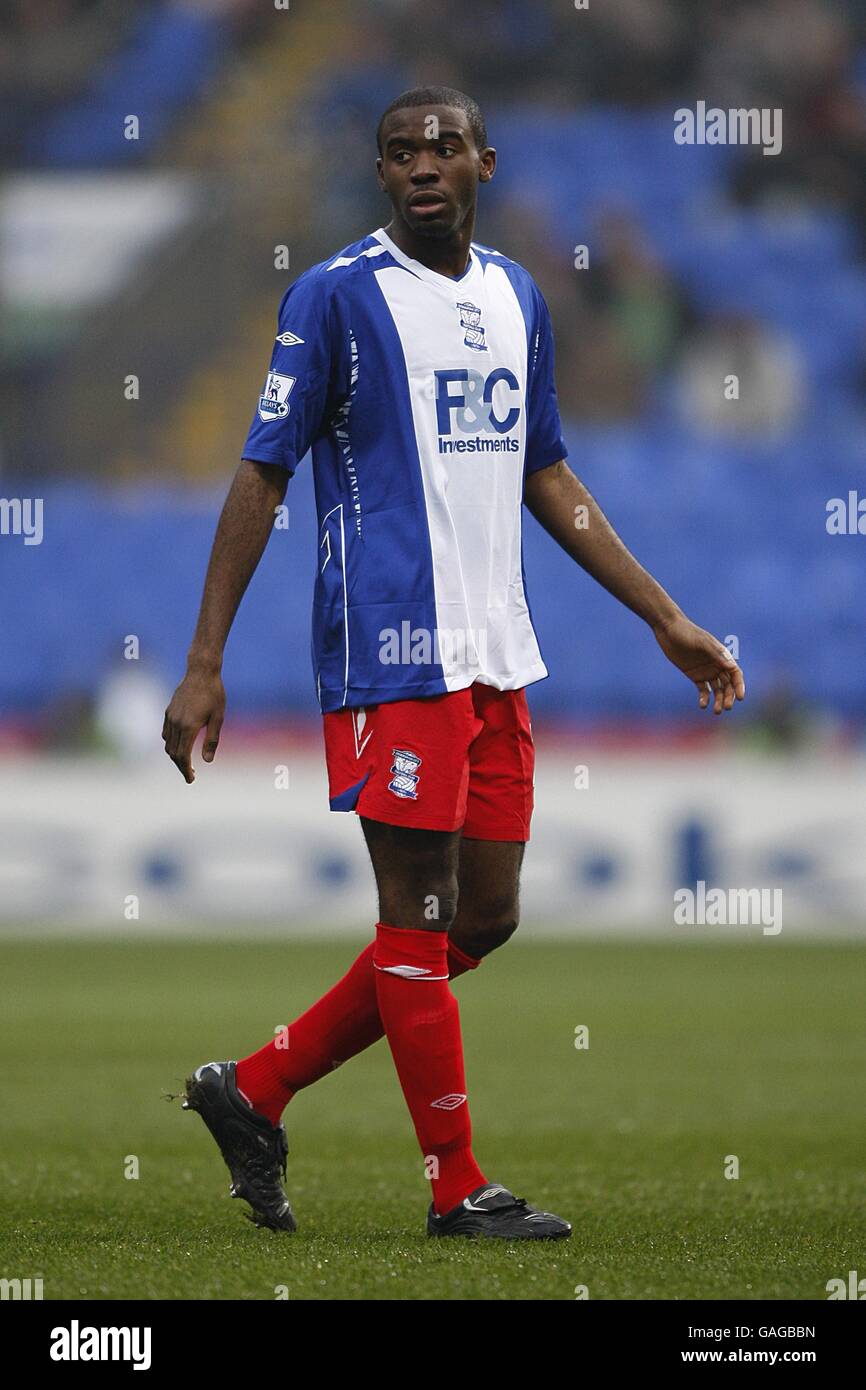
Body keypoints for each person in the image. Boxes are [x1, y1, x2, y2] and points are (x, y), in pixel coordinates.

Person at [162, 86, 745, 1240]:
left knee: (481, 918)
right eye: (398, 153)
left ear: (485, 159)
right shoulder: (335, 296)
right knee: (416, 911)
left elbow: (546, 473)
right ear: (381, 176)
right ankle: (454, 1184)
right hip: (391, 648)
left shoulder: (517, 297)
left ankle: (255, 1087)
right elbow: (261, 470)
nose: (421, 166)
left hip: (495, 653)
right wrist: (202, 658)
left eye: (442, 148)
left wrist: (660, 616)